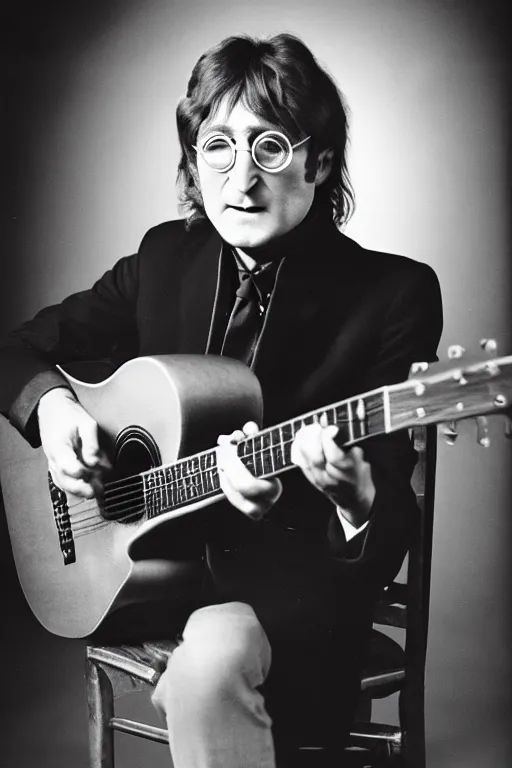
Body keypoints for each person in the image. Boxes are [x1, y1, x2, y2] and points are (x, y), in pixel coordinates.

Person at [0, 33, 443, 768]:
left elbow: (390, 509)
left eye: (270, 147)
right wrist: (53, 408)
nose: (242, 178)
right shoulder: (164, 259)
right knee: (202, 664)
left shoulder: (392, 294)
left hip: (287, 594)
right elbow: (14, 352)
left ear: (319, 161)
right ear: (192, 161)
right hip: (151, 579)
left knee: (205, 675)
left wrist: (354, 496)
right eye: (218, 147)